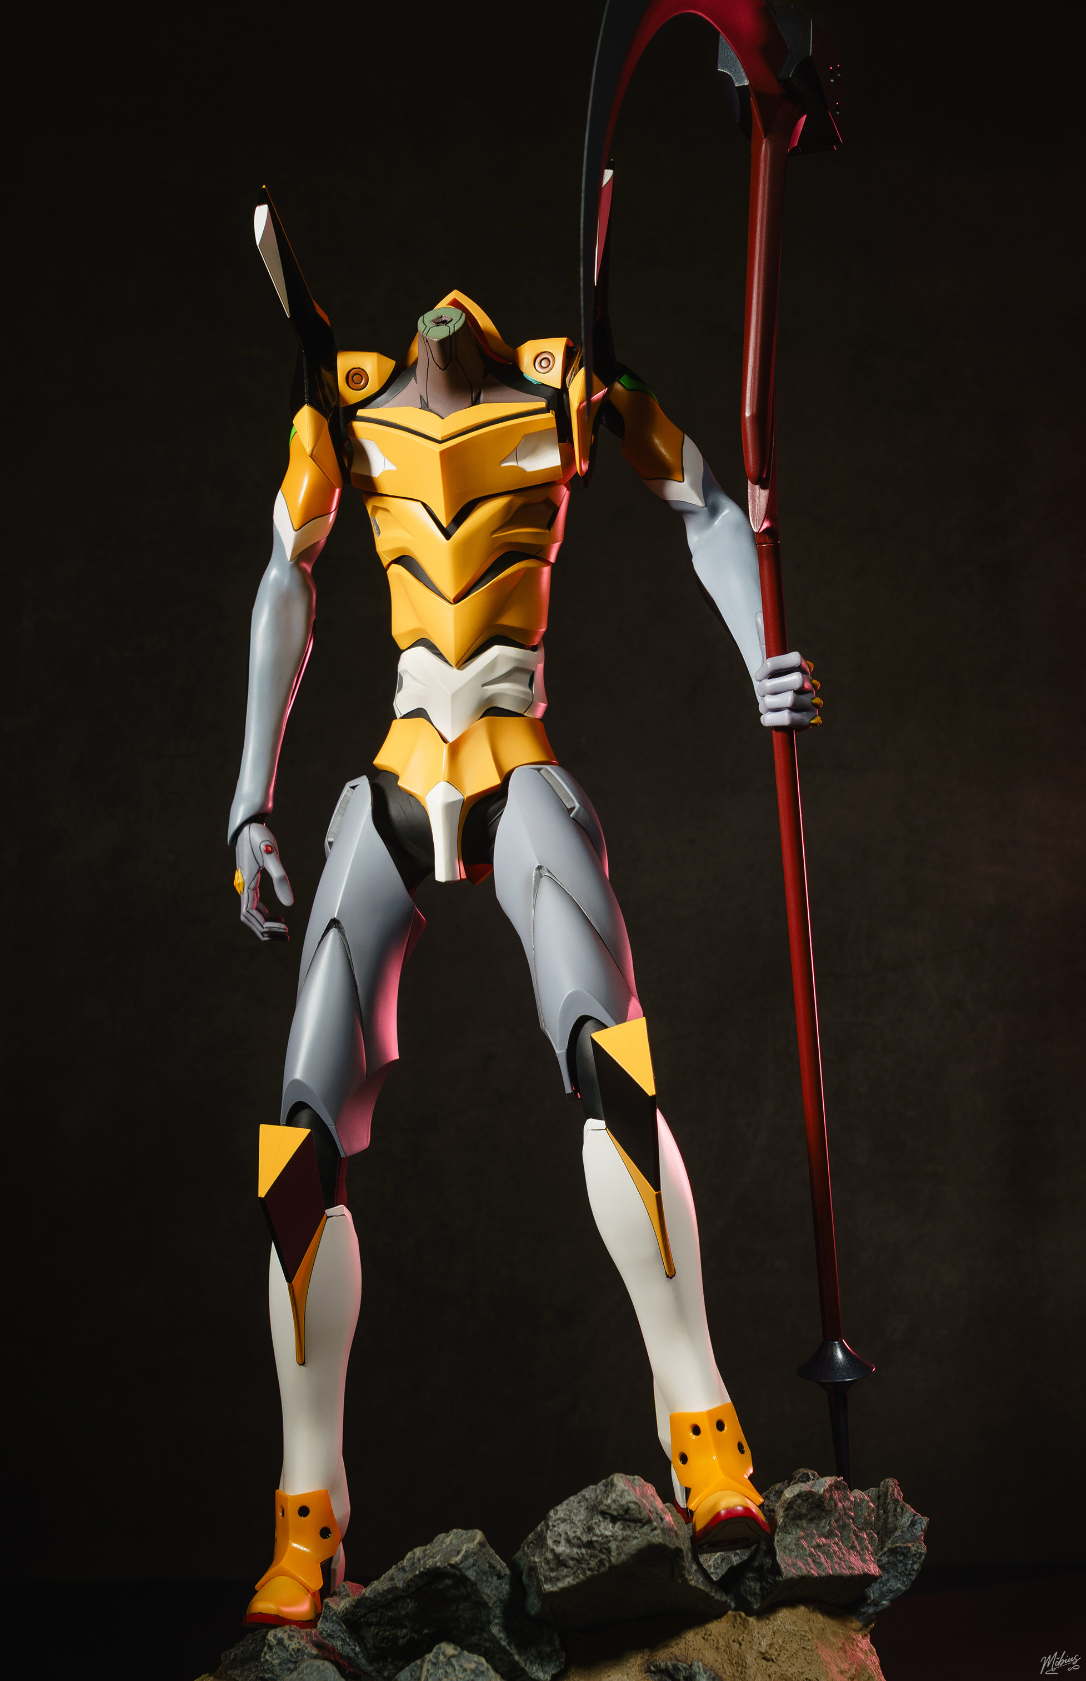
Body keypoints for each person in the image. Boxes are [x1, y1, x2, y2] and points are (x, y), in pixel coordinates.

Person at [229, 290, 820, 1627]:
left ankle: (705, 1433)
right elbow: (285, 577)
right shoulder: (345, 415)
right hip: (391, 782)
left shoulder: (564, 393)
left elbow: (710, 506)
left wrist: (762, 664)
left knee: (616, 1067)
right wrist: (248, 805)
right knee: (296, 1144)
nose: (446, 306)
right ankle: (306, 1519)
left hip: (514, 760)